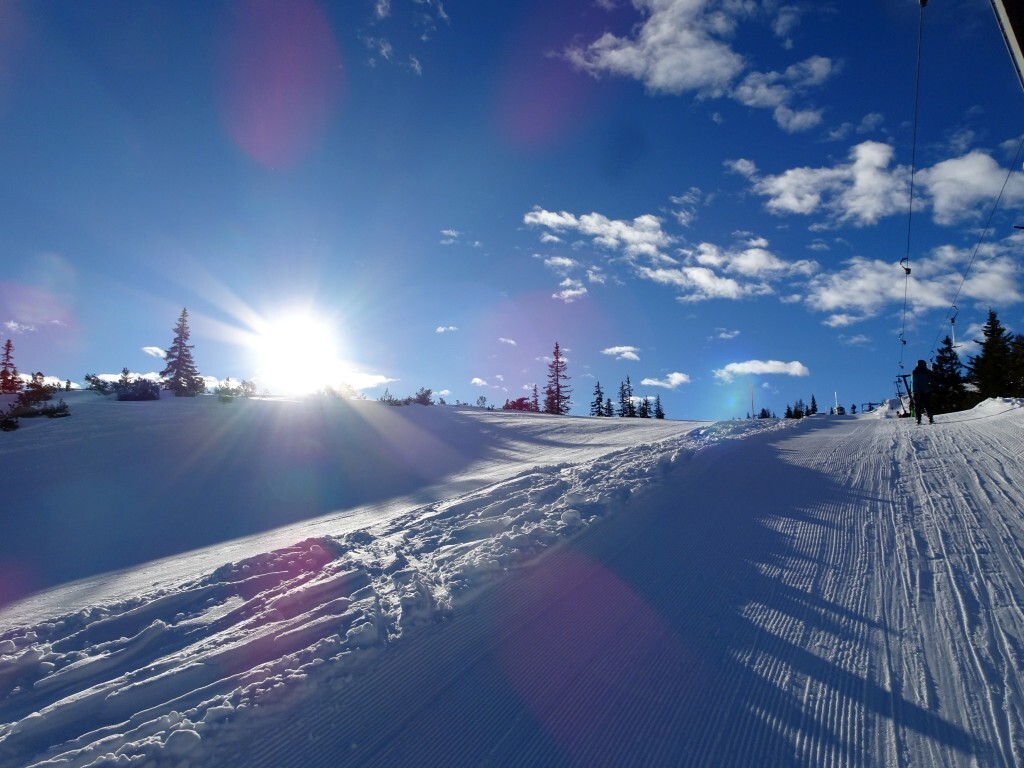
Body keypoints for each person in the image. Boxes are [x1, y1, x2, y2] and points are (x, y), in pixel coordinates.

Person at [911, 359, 934, 425]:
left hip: (916, 391)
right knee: (927, 405)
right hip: (926, 390)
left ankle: (918, 420)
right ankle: (930, 419)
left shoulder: (913, 372)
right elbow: (932, 379)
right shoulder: (927, 371)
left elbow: (912, 383)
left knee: (917, 406)